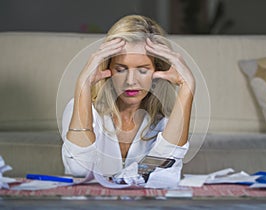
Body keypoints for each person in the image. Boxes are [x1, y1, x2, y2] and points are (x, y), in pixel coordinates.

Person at [61, 15, 195, 186]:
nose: (131, 81)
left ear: (157, 71)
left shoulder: (166, 120)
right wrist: (83, 84)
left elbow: (162, 172)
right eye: (121, 69)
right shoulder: (81, 108)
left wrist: (187, 87)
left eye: (143, 69)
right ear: (107, 69)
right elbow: (79, 171)